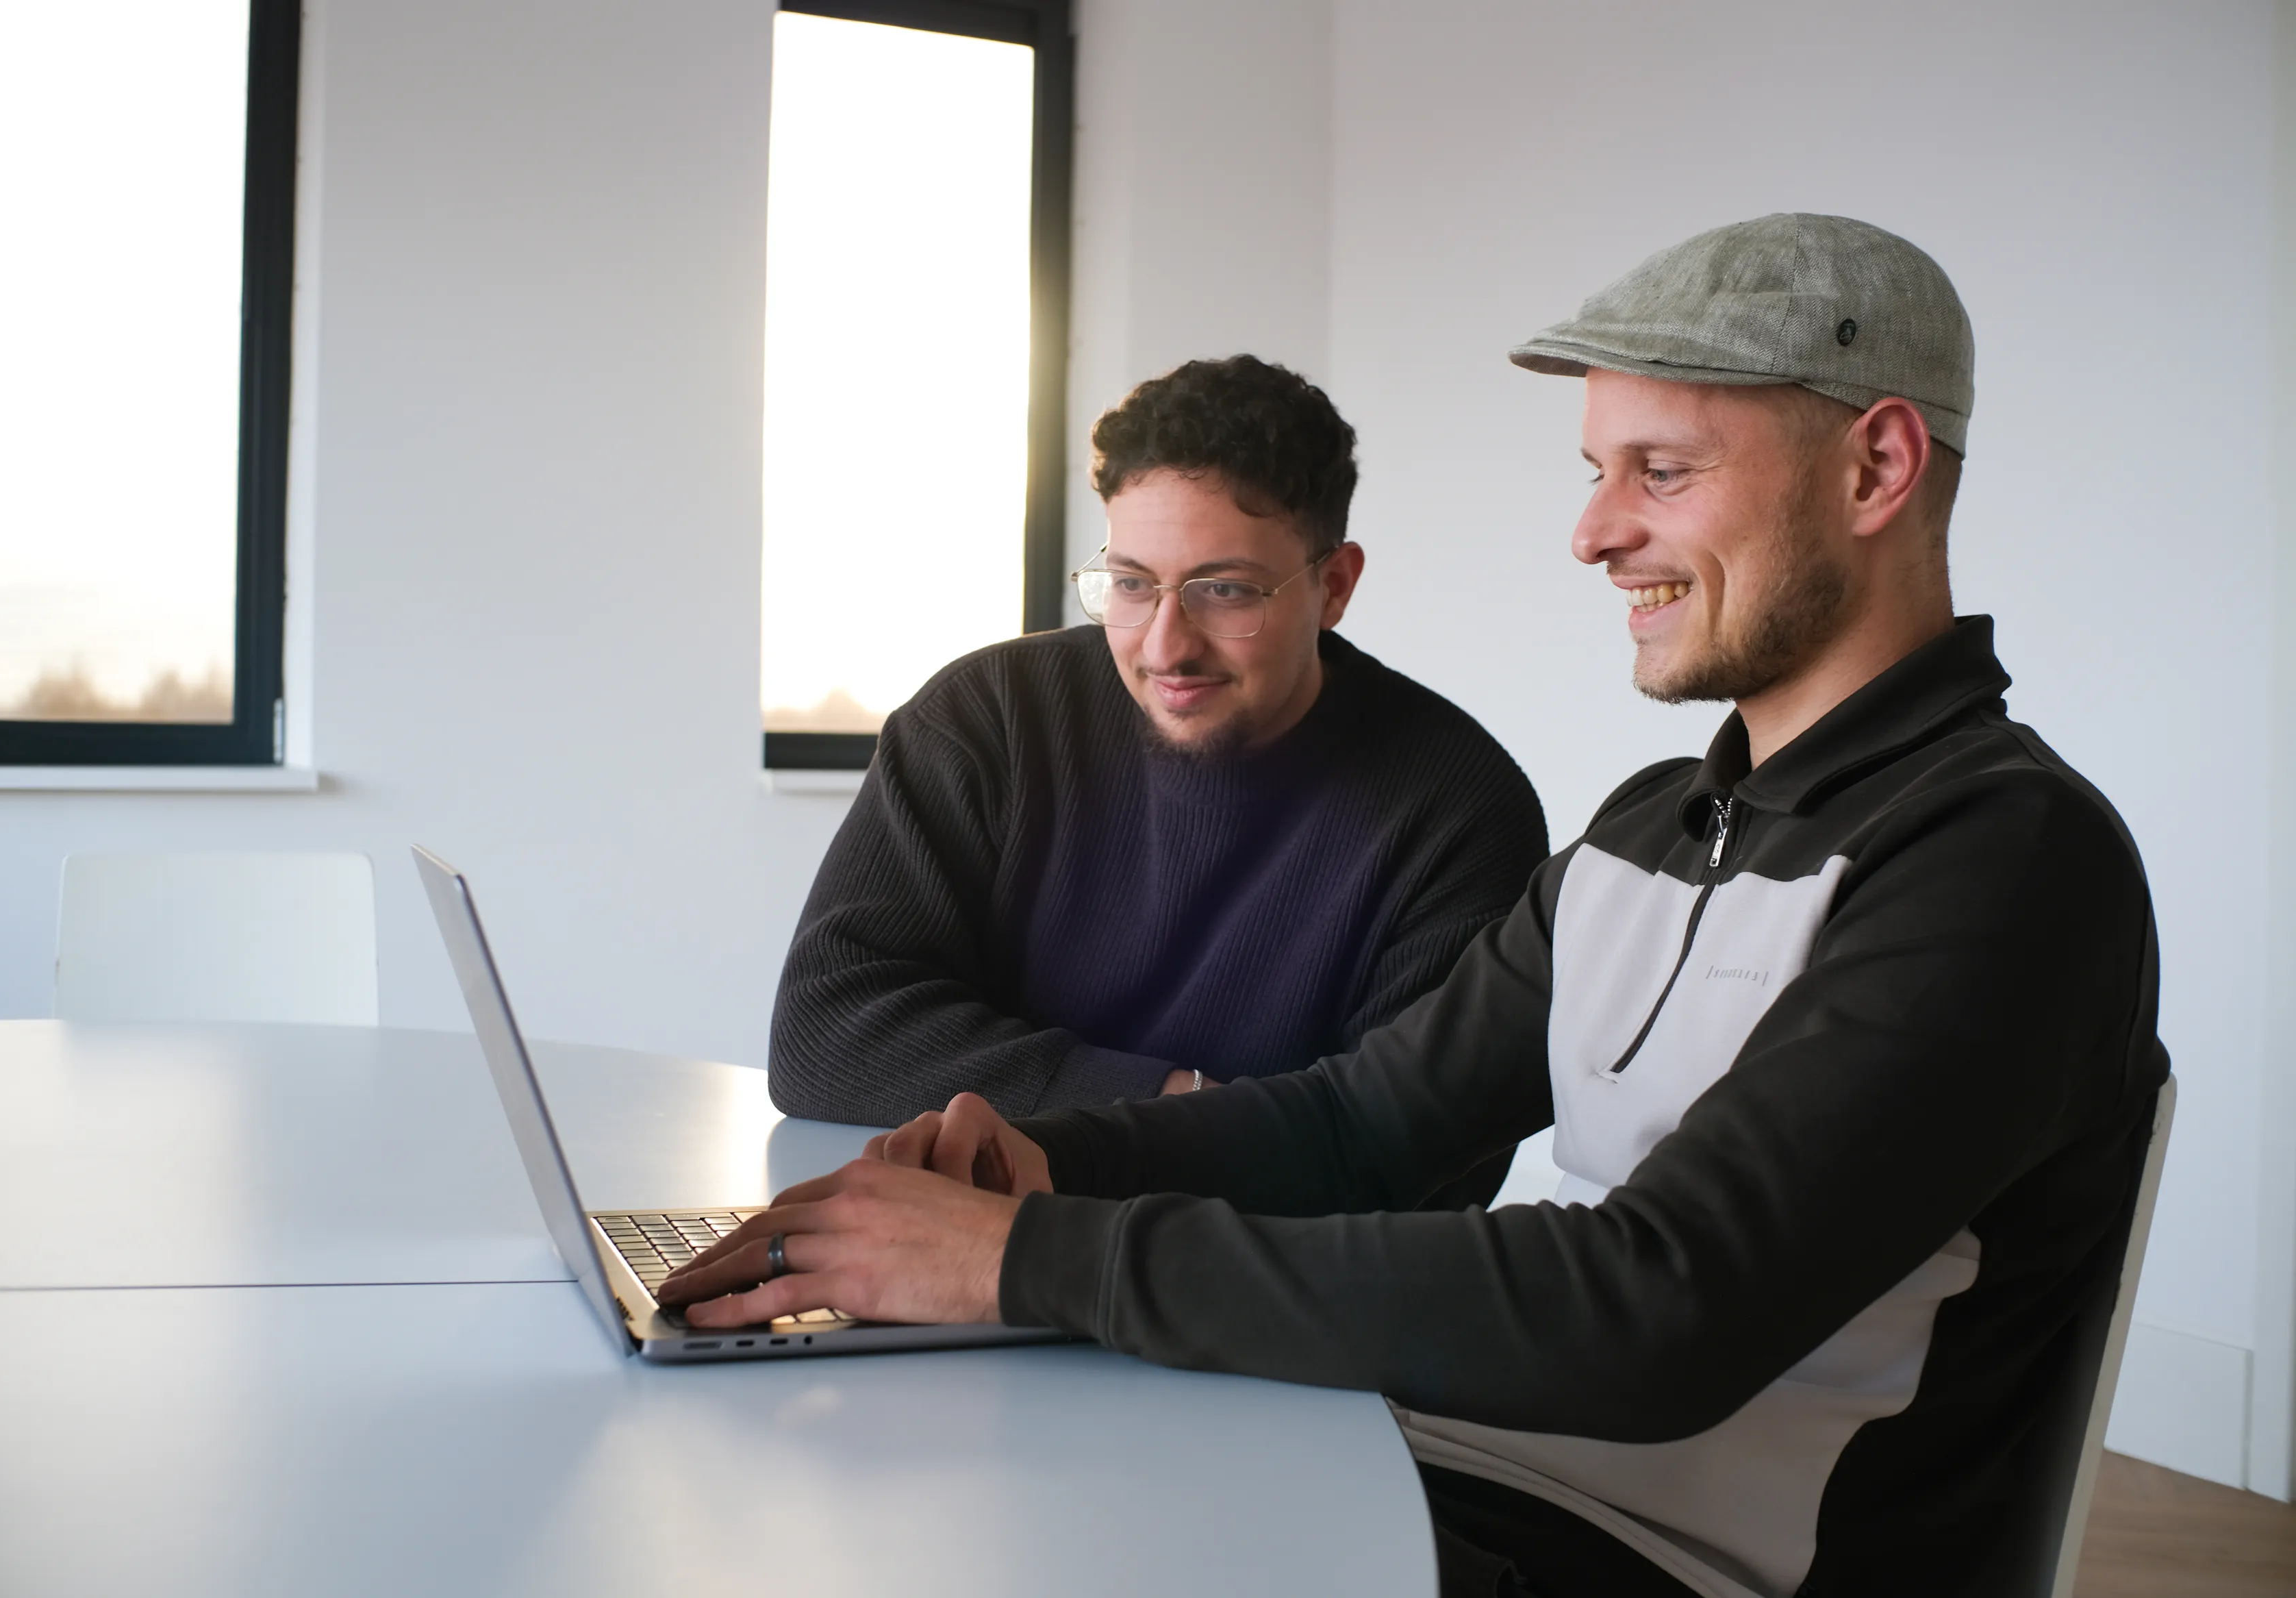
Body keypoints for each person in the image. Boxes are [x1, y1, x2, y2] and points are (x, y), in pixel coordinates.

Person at [666, 216, 2170, 1598]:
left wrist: (1021, 1259)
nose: (1593, 533)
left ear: (1876, 467)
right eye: (1595, 473)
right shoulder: (1653, 829)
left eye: (1660, 471)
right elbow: (1363, 1122)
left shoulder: (2003, 856)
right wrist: (1034, 1161)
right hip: (1468, 1461)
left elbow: (1657, 1306)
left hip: (1677, 1559)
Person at [768, 355, 1549, 1173]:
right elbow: (824, 1035)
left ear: (1334, 586)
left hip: (1209, 1263)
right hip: (964, 1227)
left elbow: (1415, 1165)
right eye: (1132, 584)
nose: (1165, 648)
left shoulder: (1456, 808)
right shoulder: (988, 718)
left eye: (1225, 591)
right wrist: (1185, 1105)